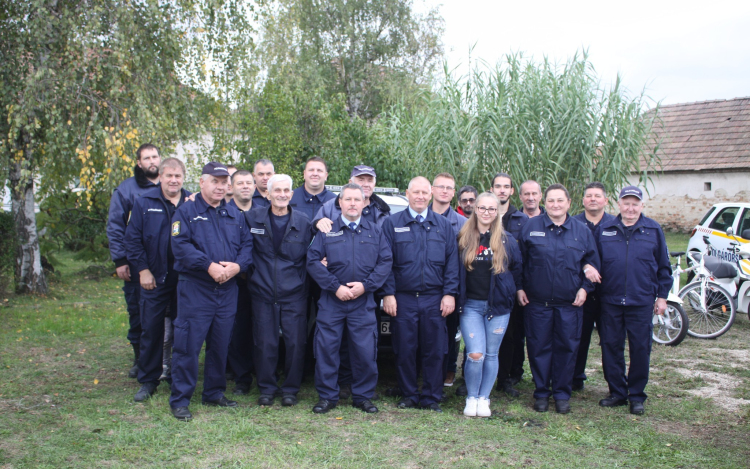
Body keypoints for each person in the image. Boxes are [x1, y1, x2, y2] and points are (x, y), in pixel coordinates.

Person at [168, 162, 253, 421]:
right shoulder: (186, 212)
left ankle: (214, 393)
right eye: (214, 181)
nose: (220, 186)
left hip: (227, 290)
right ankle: (180, 399)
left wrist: (238, 266)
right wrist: (209, 266)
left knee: (220, 345)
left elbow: (248, 246)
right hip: (197, 289)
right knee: (188, 345)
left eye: (223, 181)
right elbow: (180, 246)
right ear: (202, 182)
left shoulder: (234, 215)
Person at [307, 184, 393, 414]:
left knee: (365, 351)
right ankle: (327, 396)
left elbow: (385, 262)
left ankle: (363, 397)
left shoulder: (375, 231)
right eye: (348, 199)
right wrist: (335, 288)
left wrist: (366, 286)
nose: (353, 203)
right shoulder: (327, 231)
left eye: (358, 199)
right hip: (332, 301)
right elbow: (312, 261)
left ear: (365, 203)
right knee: (326, 349)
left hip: (362, 302)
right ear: (340, 203)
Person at [517, 183, 599, 414]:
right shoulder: (531, 227)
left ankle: (562, 394)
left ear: (569, 203)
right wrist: (519, 288)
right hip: (537, 304)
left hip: (569, 305)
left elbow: (592, 263)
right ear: (545, 203)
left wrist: (585, 288)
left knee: (567, 349)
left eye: (560, 200)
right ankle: (541, 393)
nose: (555, 205)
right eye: (551, 201)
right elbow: (519, 262)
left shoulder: (582, 231)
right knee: (538, 348)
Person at [381, 176, 459, 413]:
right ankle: (408, 394)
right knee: (404, 348)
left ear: (431, 194)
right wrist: (388, 294)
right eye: (416, 192)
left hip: (434, 298)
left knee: (435, 350)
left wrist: (449, 293)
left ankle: (431, 397)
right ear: (407, 193)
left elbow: (452, 263)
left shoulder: (443, 225)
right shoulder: (391, 223)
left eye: (425, 193)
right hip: (403, 298)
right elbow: (385, 262)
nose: (421, 197)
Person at [595, 186, 671, 415]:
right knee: (610, 346)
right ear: (618, 204)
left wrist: (662, 296)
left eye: (634, 204)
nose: (630, 208)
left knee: (640, 348)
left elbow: (664, 267)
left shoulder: (653, 230)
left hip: (641, 300)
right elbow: (593, 261)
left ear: (641, 206)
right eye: (626, 203)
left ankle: (636, 395)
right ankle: (617, 392)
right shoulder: (604, 229)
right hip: (610, 300)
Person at [124, 158, 190, 402]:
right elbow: (132, 240)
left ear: (184, 177)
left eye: (178, 176)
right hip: (155, 277)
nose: (173, 180)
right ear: (160, 177)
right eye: (169, 175)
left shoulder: (192, 202)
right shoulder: (144, 203)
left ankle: (178, 377)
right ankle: (148, 379)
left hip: (186, 279)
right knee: (151, 329)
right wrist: (142, 270)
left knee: (183, 329)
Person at [245, 174, 313, 407]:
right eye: (277, 191)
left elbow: (315, 253)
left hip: (294, 293)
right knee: (265, 343)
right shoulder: (252, 219)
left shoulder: (304, 222)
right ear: (268, 194)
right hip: (262, 292)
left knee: (295, 344)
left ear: (291, 195)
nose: (282, 194)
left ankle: (291, 390)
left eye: (286, 191)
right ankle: (266, 388)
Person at [457, 192, 522, 417]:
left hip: (498, 308)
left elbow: (517, 270)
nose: (486, 212)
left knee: (492, 354)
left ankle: (484, 398)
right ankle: (471, 397)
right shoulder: (463, 237)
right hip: (471, 307)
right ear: (475, 209)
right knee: (476, 354)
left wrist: (514, 292)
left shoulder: (507, 240)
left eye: (491, 209)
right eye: (482, 208)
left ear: (497, 212)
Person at [107, 143, 161, 377]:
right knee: (138, 311)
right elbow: (116, 226)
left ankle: (165, 360)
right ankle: (141, 360)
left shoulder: (170, 185)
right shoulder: (127, 190)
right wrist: (120, 260)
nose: (152, 161)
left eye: (155, 156)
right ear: (139, 163)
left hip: (166, 264)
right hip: (137, 264)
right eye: (146, 158)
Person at [571, 182, 616, 392]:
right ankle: (575, 377)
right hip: (581, 292)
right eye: (589, 196)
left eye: (598, 196)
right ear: (583, 201)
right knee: (578, 337)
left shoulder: (616, 225)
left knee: (610, 340)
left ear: (605, 200)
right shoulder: (573, 224)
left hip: (609, 293)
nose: (593, 199)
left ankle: (613, 384)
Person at [490, 172, 529, 398]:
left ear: (512, 191)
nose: (502, 190)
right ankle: (470, 378)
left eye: (506, 186)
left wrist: (519, 287)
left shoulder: (523, 221)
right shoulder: (483, 216)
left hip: (508, 290)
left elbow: (523, 258)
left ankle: (505, 378)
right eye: (498, 186)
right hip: (483, 290)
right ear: (492, 189)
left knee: (509, 336)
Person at [429, 173, 466, 389]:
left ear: (453, 193)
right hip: (424, 288)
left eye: (449, 188)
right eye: (440, 186)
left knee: (449, 334)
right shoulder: (420, 217)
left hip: (451, 289)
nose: (444, 191)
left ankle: (448, 370)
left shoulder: (463, 224)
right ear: (432, 190)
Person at [226, 169, 256, 394]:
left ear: (255, 187)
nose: (245, 186)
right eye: (240, 183)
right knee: (238, 330)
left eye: (249, 183)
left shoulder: (265, 212)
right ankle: (241, 378)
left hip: (263, 282)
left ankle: (262, 370)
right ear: (231, 187)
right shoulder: (223, 213)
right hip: (235, 281)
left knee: (262, 330)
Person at [314, 165, 391, 231]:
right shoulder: (329, 208)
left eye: (370, 181)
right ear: (350, 182)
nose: (366, 184)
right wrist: (317, 223)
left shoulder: (384, 211)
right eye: (361, 180)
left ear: (374, 184)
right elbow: (311, 234)